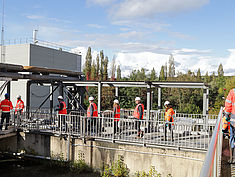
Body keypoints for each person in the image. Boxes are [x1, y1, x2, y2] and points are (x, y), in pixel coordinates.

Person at [224, 88, 235, 163]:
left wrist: (227, 116)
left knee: (232, 138)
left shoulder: (232, 92)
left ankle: (232, 158)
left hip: (233, 121)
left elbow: (228, 106)